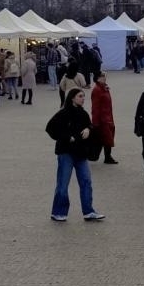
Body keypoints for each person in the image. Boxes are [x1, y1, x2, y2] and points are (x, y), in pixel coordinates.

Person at [44, 87, 103, 222]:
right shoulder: (63, 113)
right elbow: (50, 128)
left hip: (81, 153)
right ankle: (58, 212)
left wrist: (89, 129)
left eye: (83, 96)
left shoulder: (83, 114)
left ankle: (88, 211)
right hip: (66, 152)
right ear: (72, 98)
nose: (83, 99)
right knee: (63, 183)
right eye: (80, 96)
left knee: (86, 181)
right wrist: (67, 137)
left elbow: (90, 125)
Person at [91, 72, 118, 165]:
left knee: (108, 137)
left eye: (104, 76)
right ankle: (105, 157)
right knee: (106, 138)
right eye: (102, 76)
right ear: (97, 78)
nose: (104, 78)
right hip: (103, 119)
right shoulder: (97, 90)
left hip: (108, 116)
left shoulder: (104, 88)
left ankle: (107, 157)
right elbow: (95, 107)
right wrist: (95, 122)